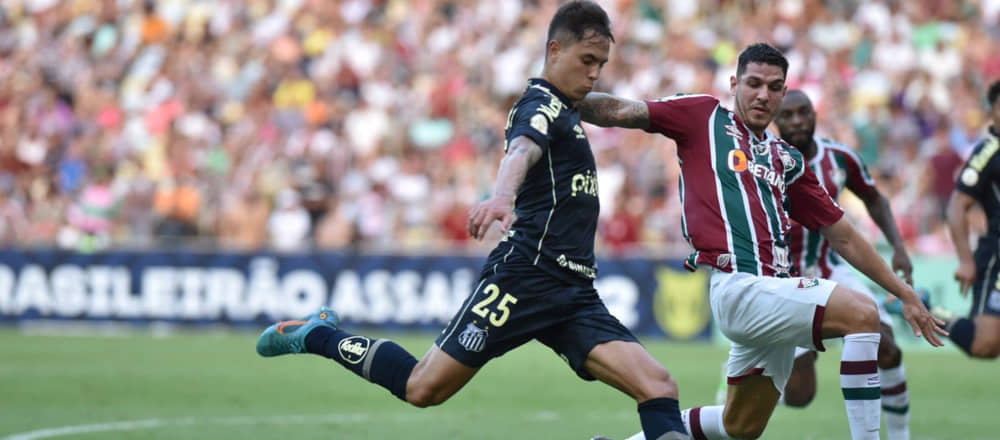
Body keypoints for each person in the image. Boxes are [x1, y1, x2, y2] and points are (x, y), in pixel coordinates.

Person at [255, 3, 690, 439]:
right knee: (422, 387)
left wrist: (683, 117)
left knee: (658, 386)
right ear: (555, 50)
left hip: (573, 291)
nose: (595, 73)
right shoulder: (539, 104)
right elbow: (522, 149)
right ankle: (318, 335)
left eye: (602, 64)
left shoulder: (569, 106)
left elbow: (617, 109)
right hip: (525, 276)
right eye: (587, 60)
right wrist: (502, 196)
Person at [577, 43, 945, 440]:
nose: (763, 95)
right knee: (862, 313)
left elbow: (844, 235)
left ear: (783, 93)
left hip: (772, 292)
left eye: (773, 87)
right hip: (738, 286)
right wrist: (560, 96)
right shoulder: (703, 116)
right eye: (753, 83)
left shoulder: (786, 159)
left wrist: (903, 292)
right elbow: (622, 110)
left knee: (740, 425)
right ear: (734, 84)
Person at [769, 90, 915, 439]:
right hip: (784, 280)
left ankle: (900, 435)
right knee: (800, 395)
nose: (797, 121)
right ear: (776, 120)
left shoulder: (839, 158)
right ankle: (749, 378)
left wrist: (898, 247)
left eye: (804, 113)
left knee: (887, 346)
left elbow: (874, 199)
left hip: (830, 267)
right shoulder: (763, 159)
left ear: (814, 115)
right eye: (788, 115)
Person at [944, 79, 1000, 359]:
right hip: (997, 257)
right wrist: (966, 260)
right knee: (984, 345)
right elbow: (957, 205)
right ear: (992, 112)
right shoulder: (988, 152)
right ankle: (926, 308)